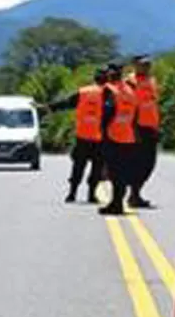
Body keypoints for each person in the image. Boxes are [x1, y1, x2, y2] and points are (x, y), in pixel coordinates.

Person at [44, 67, 108, 203]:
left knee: (78, 166)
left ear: (94, 78)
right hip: (100, 138)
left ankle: (72, 194)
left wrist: (50, 107)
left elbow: (66, 103)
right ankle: (91, 195)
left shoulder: (83, 92)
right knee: (97, 168)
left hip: (82, 136)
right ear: (106, 79)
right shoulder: (108, 93)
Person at [98, 63, 139, 216]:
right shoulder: (130, 90)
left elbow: (108, 112)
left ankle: (116, 205)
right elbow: (135, 114)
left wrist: (102, 130)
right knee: (122, 173)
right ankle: (117, 203)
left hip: (113, 136)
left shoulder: (110, 90)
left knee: (115, 174)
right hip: (128, 136)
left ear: (110, 74)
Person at [126, 54, 160, 209]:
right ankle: (134, 194)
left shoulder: (151, 81)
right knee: (138, 163)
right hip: (137, 128)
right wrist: (133, 129)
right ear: (134, 65)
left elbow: (152, 104)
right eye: (143, 64)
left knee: (149, 163)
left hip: (150, 127)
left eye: (148, 64)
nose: (146, 67)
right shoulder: (130, 82)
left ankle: (136, 193)